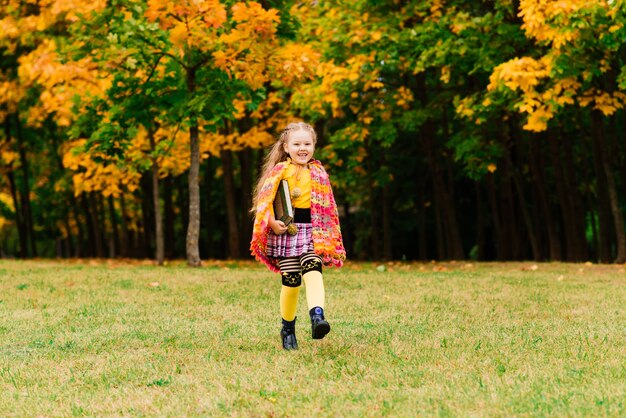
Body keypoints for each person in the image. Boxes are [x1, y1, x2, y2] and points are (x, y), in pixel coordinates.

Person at [250, 122, 346, 350]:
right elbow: (265, 201)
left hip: (312, 232)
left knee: (313, 268)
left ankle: (317, 317)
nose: (302, 148)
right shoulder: (279, 172)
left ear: (314, 145)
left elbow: (327, 207)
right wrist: (272, 222)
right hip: (285, 232)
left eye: (307, 143)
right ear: (286, 147)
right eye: (297, 144)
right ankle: (288, 328)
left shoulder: (319, 173)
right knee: (291, 282)